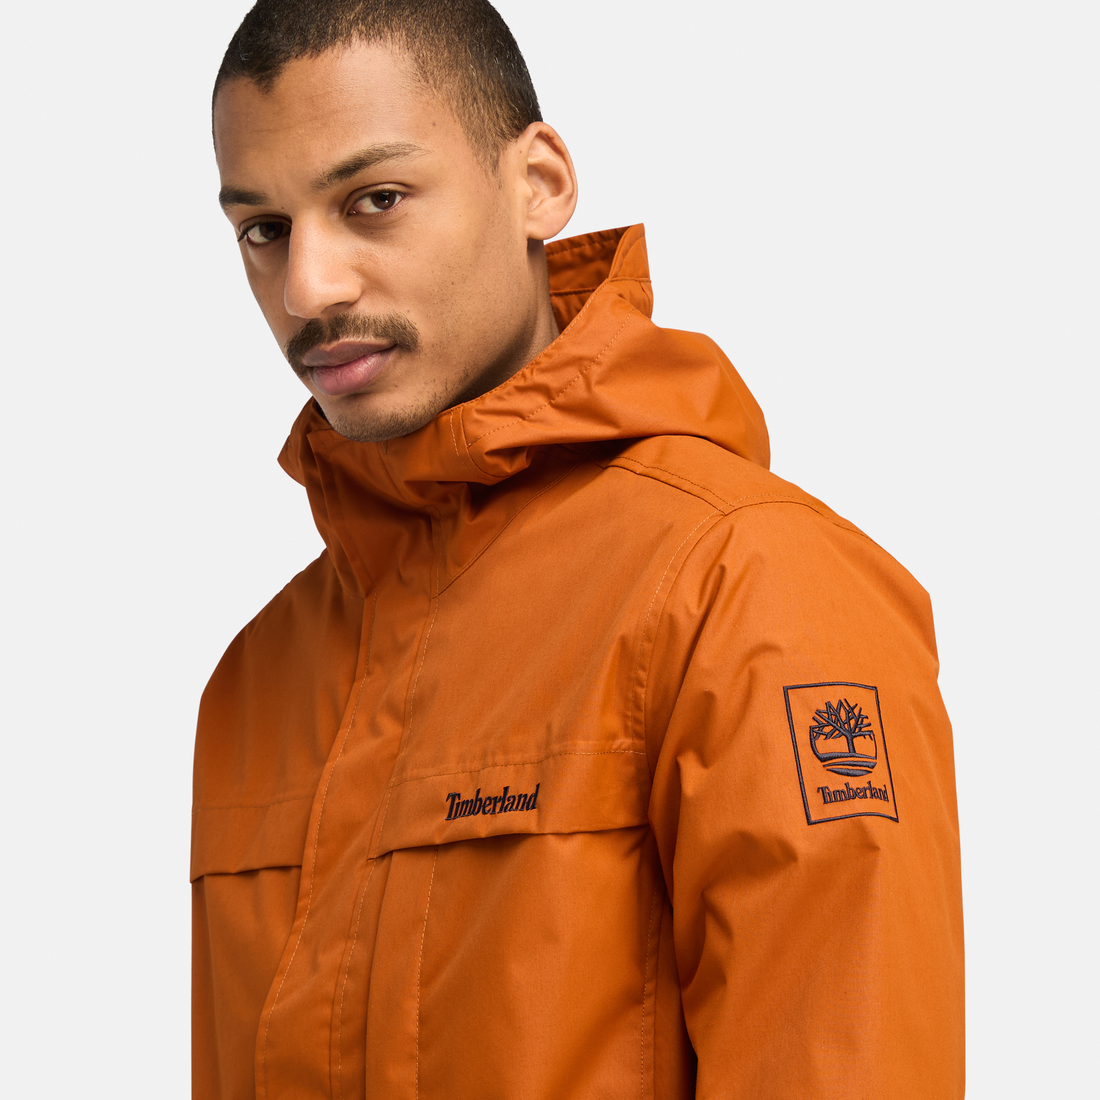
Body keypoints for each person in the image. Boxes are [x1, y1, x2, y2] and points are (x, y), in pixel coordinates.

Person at [193, 1, 965, 1096]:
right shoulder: (255, 677)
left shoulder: (753, 591)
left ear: (539, 184)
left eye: (376, 200)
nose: (307, 287)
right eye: (264, 229)